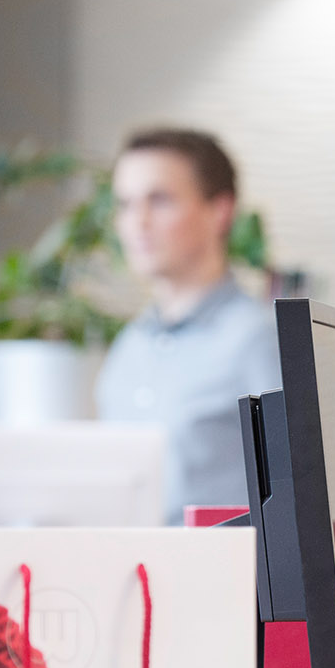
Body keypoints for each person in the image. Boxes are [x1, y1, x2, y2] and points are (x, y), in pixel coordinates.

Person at [96, 128, 280, 524]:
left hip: (219, 578)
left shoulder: (257, 339)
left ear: (220, 211)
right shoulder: (129, 346)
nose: (137, 222)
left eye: (159, 200)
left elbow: (295, 500)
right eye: (125, 204)